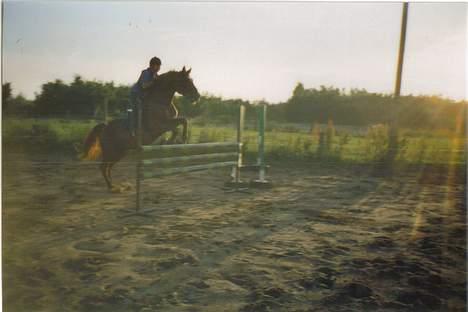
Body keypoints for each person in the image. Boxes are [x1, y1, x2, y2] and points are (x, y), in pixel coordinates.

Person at [128, 56, 161, 135]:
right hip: (136, 94)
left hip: (144, 95)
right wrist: (154, 82)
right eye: (159, 66)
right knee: (137, 110)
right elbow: (144, 86)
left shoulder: (155, 74)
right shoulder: (145, 73)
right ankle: (132, 129)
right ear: (154, 65)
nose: (159, 68)